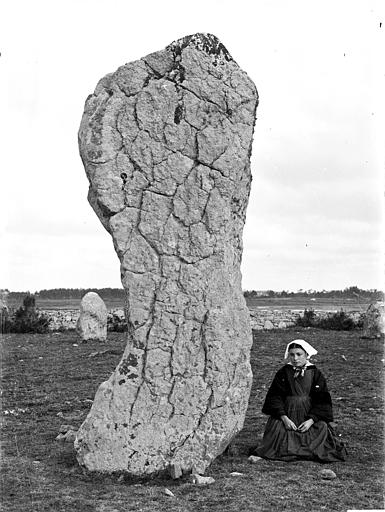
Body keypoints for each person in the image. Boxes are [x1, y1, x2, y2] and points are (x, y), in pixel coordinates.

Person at [250, 339, 347, 462]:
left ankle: (306, 445)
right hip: (287, 412)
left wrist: (311, 420)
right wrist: (284, 418)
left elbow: (322, 400)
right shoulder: (283, 373)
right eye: (292, 354)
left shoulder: (316, 373)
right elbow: (275, 396)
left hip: (308, 413)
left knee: (321, 427)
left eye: (299, 354)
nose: (295, 358)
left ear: (306, 355)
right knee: (276, 429)